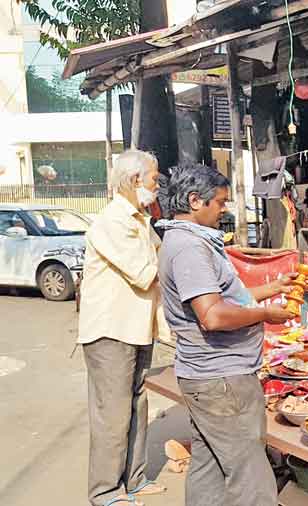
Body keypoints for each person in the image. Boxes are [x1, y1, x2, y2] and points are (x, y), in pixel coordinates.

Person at [156, 163, 295, 506]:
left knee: (210, 467)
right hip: (222, 378)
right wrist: (266, 314)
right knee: (251, 476)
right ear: (194, 201)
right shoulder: (190, 247)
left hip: (207, 377)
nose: (224, 210)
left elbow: (225, 296)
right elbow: (214, 315)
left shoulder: (185, 240)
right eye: (219, 203)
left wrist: (272, 287)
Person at [77, 150, 168, 506]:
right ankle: (104, 492)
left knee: (136, 408)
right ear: (134, 180)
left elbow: (162, 257)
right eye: (153, 180)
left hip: (137, 329)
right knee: (112, 417)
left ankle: (134, 480)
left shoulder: (139, 219)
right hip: (110, 333)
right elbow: (147, 272)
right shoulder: (112, 221)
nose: (156, 187)